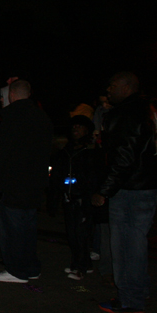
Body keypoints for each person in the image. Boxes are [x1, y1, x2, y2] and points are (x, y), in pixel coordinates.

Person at [92, 72, 157, 313]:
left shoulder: (127, 113)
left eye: (113, 85)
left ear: (126, 87)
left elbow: (124, 156)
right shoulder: (146, 109)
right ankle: (138, 291)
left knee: (125, 244)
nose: (109, 90)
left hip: (130, 188)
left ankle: (130, 299)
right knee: (136, 242)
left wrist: (105, 189)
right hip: (145, 185)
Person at [0, 80, 53, 283]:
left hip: (12, 183)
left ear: (11, 95)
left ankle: (16, 270)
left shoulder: (9, 116)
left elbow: (2, 150)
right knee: (28, 228)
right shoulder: (42, 116)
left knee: (11, 229)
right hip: (34, 182)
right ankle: (30, 267)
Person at [49, 115, 98, 281]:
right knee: (72, 233)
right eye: (74, 126)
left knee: (81, 234)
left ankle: (81, 267)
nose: (76, 129)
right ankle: (80, 263)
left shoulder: (91, 152)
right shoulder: (66, 151)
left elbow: (94, 178)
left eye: (80, 127)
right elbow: (56, 175)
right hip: (68, 198)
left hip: (83, 200)